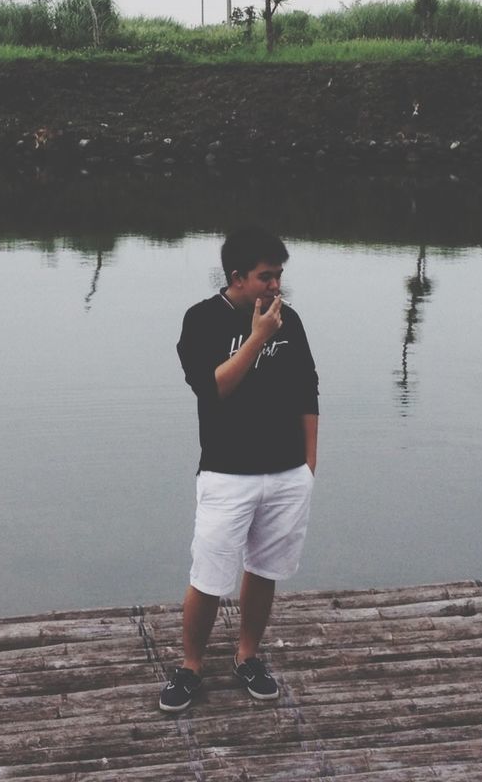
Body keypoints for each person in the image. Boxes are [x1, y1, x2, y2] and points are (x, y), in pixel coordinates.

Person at [159, 226, 319, 713]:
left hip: (287, 472)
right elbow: (214, 390)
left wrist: (309, 467)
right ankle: (190, 667)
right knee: (209, 576)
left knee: (265, 569)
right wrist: (257, 337)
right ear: (237, 277)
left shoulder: (288, 319)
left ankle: (247, 656)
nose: (275, 287)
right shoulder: (201, 320)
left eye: (279, 276)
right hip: (227, 474)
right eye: (265, 277)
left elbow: (307, 391)